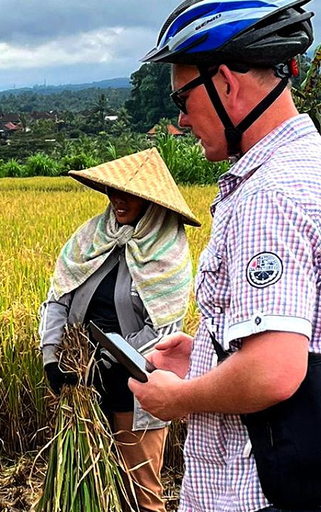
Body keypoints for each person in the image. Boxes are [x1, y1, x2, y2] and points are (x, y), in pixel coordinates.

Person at [129, 1, 321, 511]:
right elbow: (306, 340)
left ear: (224, 83)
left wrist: (177, 399)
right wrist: (204, 353)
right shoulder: (313, 167)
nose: (180, 119)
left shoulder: (271, 194)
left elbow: (272, 371)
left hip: (274, 491)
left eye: (183, 97)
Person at [39, 148, 200, 512]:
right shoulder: (91, 238)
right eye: (113, 192)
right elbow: (58, 299)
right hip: (80, 381)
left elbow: (162, 327)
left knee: (139, 490)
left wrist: (110, 359)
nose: (117, 200)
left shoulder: (167, 253)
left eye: (128, 194)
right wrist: (52, 357)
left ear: (150, 201)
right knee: (89, 483)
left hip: (137, 384)